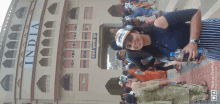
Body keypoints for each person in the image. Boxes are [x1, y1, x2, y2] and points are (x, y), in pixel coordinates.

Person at [115, 9, 219, 65]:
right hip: (213, 51)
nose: (133, 44)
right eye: (129, 46)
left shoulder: (159, 24)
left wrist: (193, 42)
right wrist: (192, 58)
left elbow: (195, 13)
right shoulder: (155, 52)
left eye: (130, 38)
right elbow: (175, 56)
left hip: (212, 32)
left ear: (135, 31)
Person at [125, 80, 210, 104]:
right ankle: (203, 89)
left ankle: (204, 97)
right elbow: (153, 87)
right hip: (164, 91)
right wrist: (162, 83)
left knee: (186, 99)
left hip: (166, 101)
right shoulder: (139, 92)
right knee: (184, 88)